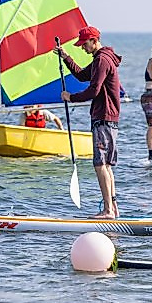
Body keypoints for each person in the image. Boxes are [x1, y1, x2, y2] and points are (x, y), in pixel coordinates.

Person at [56, 26, 122, 219]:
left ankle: (108, 210)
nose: (83, 48)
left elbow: (93, 90)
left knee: (100, 164)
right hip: (108, 118)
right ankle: (113, 209)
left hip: (104, 117)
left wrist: (71, 97)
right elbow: (82, 75)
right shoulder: (102, 59)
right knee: (106, 165)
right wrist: (66, 57)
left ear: (94, 40)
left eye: (84, 44)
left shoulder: (102, 60)